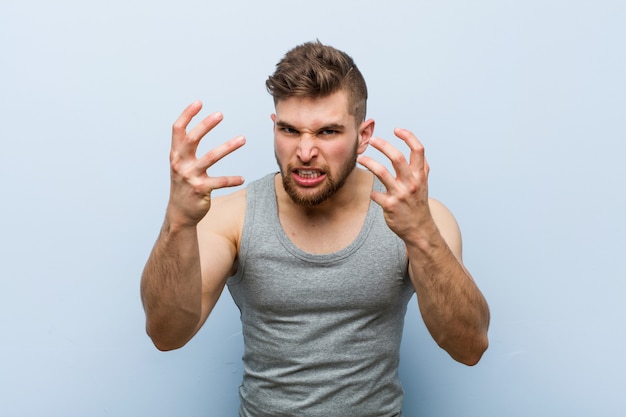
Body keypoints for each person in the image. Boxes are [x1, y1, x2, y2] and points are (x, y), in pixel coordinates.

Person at [141, 41, 489, 417]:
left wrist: (422, 236)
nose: (305, 151)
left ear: (364, 133)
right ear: (274, 126)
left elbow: (469, 347)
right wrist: (178, 220)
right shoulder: (233, 216)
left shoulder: (420, 219)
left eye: (327, 132)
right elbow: (166, 335)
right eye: (290, 130)